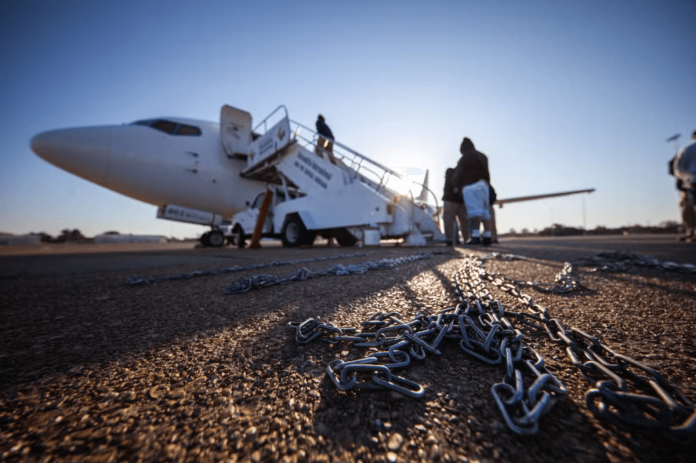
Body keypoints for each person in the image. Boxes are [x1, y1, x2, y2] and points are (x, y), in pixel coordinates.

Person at [452, 137, 492, 245]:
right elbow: (487, 172)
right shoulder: (483, 156)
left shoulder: (465, 157)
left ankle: (476, 236)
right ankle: (488, 236)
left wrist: (456, 186)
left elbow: (459, 174)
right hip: (484, 185)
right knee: (485, 212)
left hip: (471, 186)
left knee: (474, 213)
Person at [673, 130, 696, 242]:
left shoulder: (686, 150)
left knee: (687, 206)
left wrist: (685, 179)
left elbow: (679, 170)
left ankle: (691, 231)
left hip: (691, 181)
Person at [442, 168, 469, 246]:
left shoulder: (450, 171)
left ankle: (449, 239)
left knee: (449, 220)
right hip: (461, 200)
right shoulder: (466, 174)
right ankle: (467, 239)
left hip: (450, 199)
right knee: (464, 221)